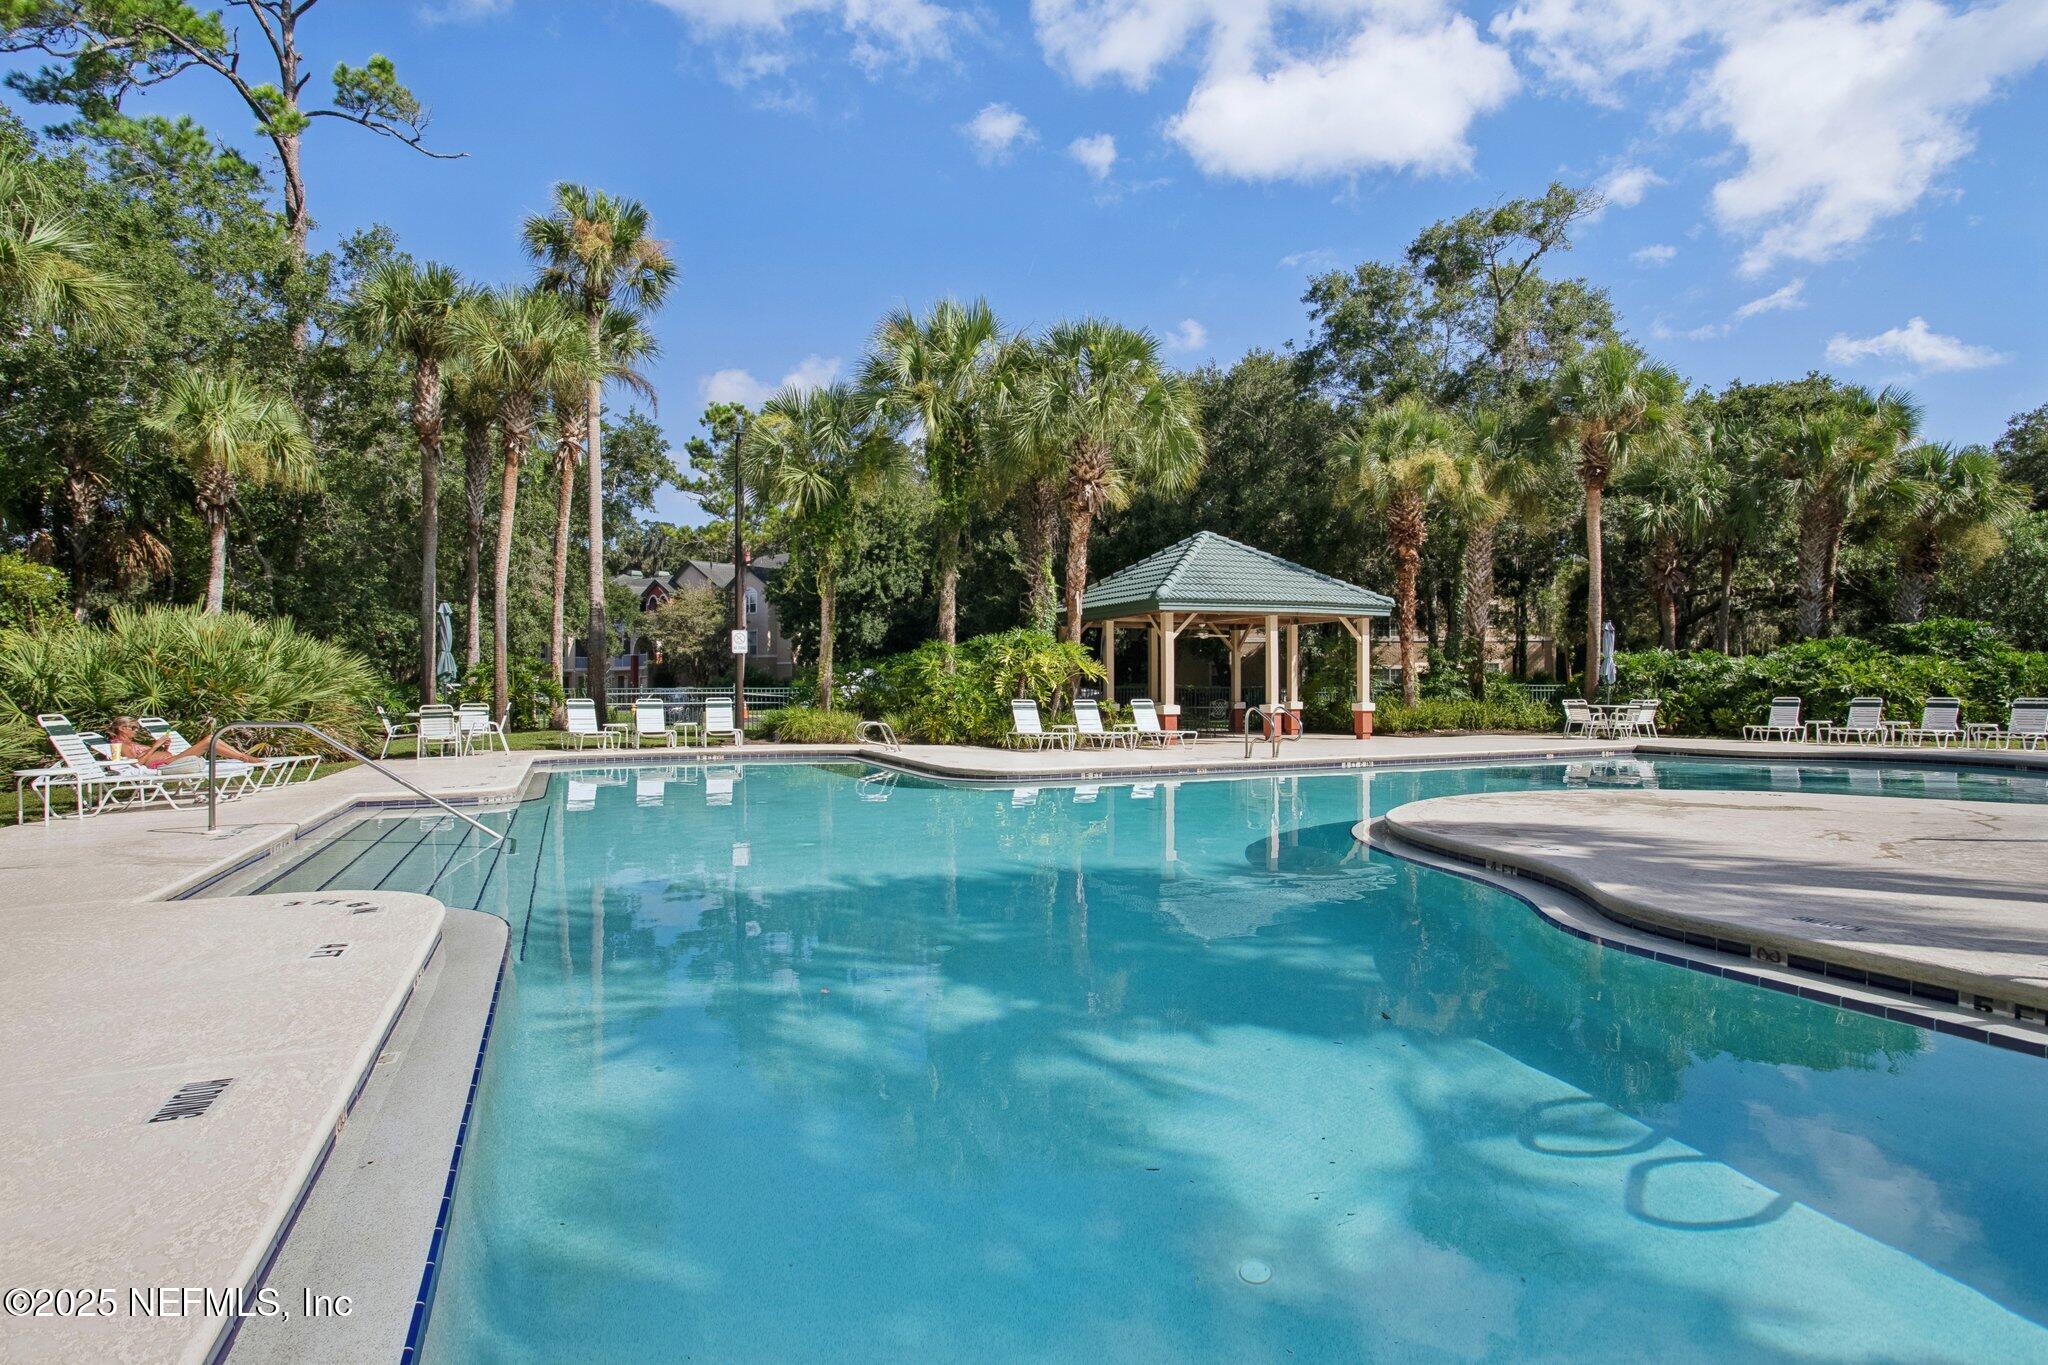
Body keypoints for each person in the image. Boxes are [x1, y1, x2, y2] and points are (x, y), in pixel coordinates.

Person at [105, 717, 258, 769]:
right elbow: (137, 763)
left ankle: (245, 757)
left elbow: (148, 756)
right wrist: (155, 746)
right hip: (166, 765)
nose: (136, 731)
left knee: (211, 738)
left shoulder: (130, 742)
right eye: (133, 728)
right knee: (209, 740)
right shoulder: (119, 745)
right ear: (122, 728)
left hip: (170, 760)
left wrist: (164, 747)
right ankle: (246, 758)